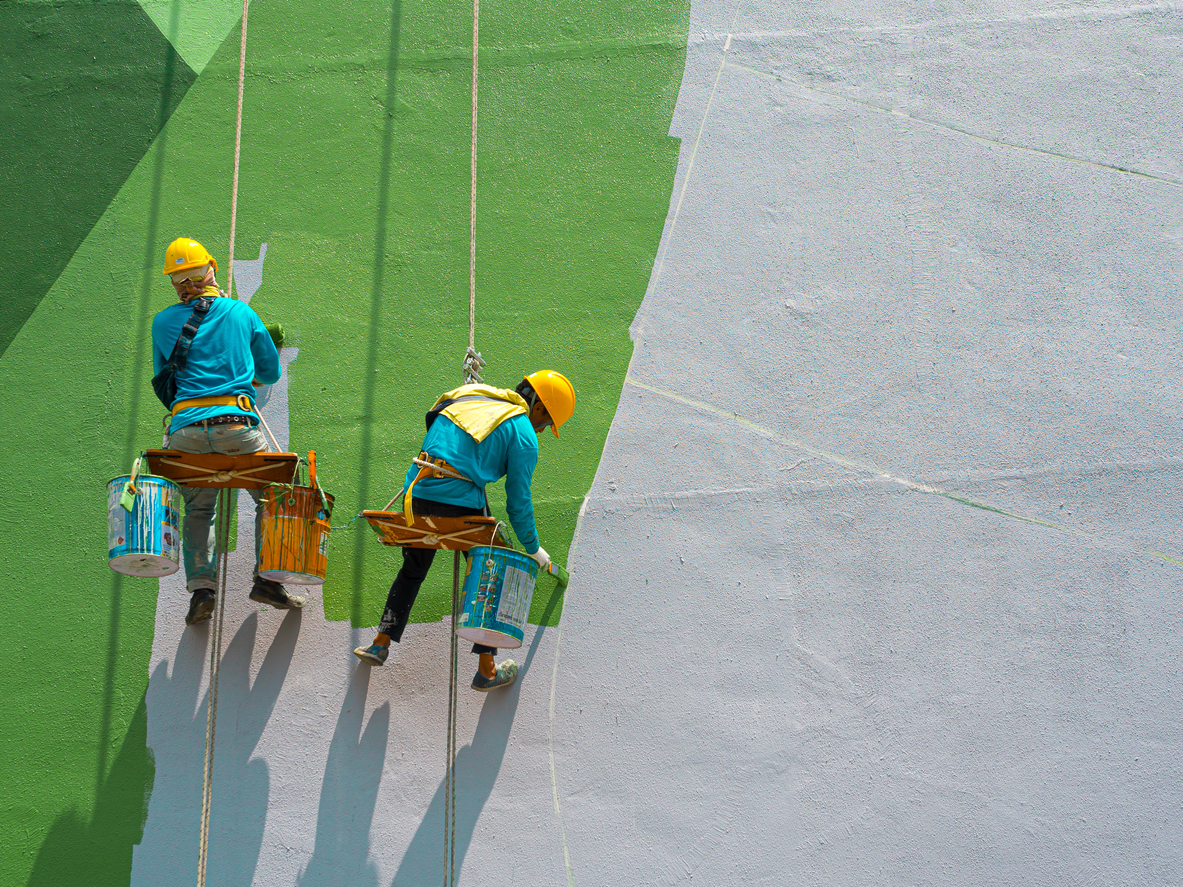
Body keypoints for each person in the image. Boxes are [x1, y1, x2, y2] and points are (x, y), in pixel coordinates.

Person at [353, 370, 575, 691]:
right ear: (539, 407)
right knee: (488, 572)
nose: (540, 431)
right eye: (545, 424)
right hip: (459, 500)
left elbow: (435, 420)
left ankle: (380, 641)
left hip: (417, 495)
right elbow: (518, 503)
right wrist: (534, 549)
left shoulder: (474, 395)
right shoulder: (523, 432)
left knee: (413, 569)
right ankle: (486, 669)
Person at [152, 237, 305, 626]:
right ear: (212, 268)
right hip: (234, 424)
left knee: (198, 507)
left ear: (174, 283)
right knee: (271, 496)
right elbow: (269, 372)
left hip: (185, 430)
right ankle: (266, 579)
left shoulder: (162, 322)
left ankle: (201, 589)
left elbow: (164, 382)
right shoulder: (240, 313)